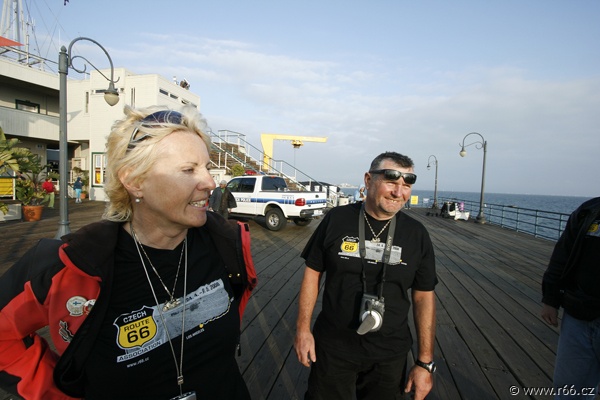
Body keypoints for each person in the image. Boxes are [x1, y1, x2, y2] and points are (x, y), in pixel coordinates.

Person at [0, 105, 255, 399]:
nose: (210, 182)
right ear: (134, 182)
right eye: (188, 170)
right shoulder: (71, 266)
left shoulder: (226, 243)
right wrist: (55, 393)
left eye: (206, 167)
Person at [294, 151, 437, 400]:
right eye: (391, 182)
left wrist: (424, 362)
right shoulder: (336, 219)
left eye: (406, 185)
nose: (399, 192)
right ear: (368, 180)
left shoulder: (417, 234)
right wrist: (302, 330)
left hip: (389, 354)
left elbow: (424, 297)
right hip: (333, 347)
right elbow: (312, 273)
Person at [541, 196, 600, 399]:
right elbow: (562, 255)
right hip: (579, 315)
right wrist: (550, 299)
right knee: (569, 391)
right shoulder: (589, 211)